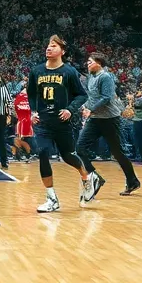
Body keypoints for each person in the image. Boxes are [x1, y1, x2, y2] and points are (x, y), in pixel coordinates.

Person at [30, 35, 98, 213]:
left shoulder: (69, 72)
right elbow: (31, 93)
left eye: (53, 46)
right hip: (43, 122)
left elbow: (81, 95)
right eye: (48, 45)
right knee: (43, 152)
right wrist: (33, 111)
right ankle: (51, 197)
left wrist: (70, 109)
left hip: (62, 121)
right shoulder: (36, 71)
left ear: (63, 51)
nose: (49, 48)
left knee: (68, 156)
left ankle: (87, 177)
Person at [77, 52, 141, 196]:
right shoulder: (91, 78)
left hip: (110, 120)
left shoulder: (105, 77)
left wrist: (90, 109)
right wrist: (85, 107)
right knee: (80, 147)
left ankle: (132, 181)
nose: (87, 64)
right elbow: (92, 97)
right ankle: (95, 178)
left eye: (90, 61)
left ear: (99, 63)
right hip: (95, 119)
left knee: (118, 153)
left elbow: (106, 98)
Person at [11, 87, 34, 161]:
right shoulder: (28, 99)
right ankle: (16, 156)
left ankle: (27, 155)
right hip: (25, 121)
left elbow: (14, 113)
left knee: (18, 139)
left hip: (22, 122)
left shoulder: (20, 99)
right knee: (17, 139)